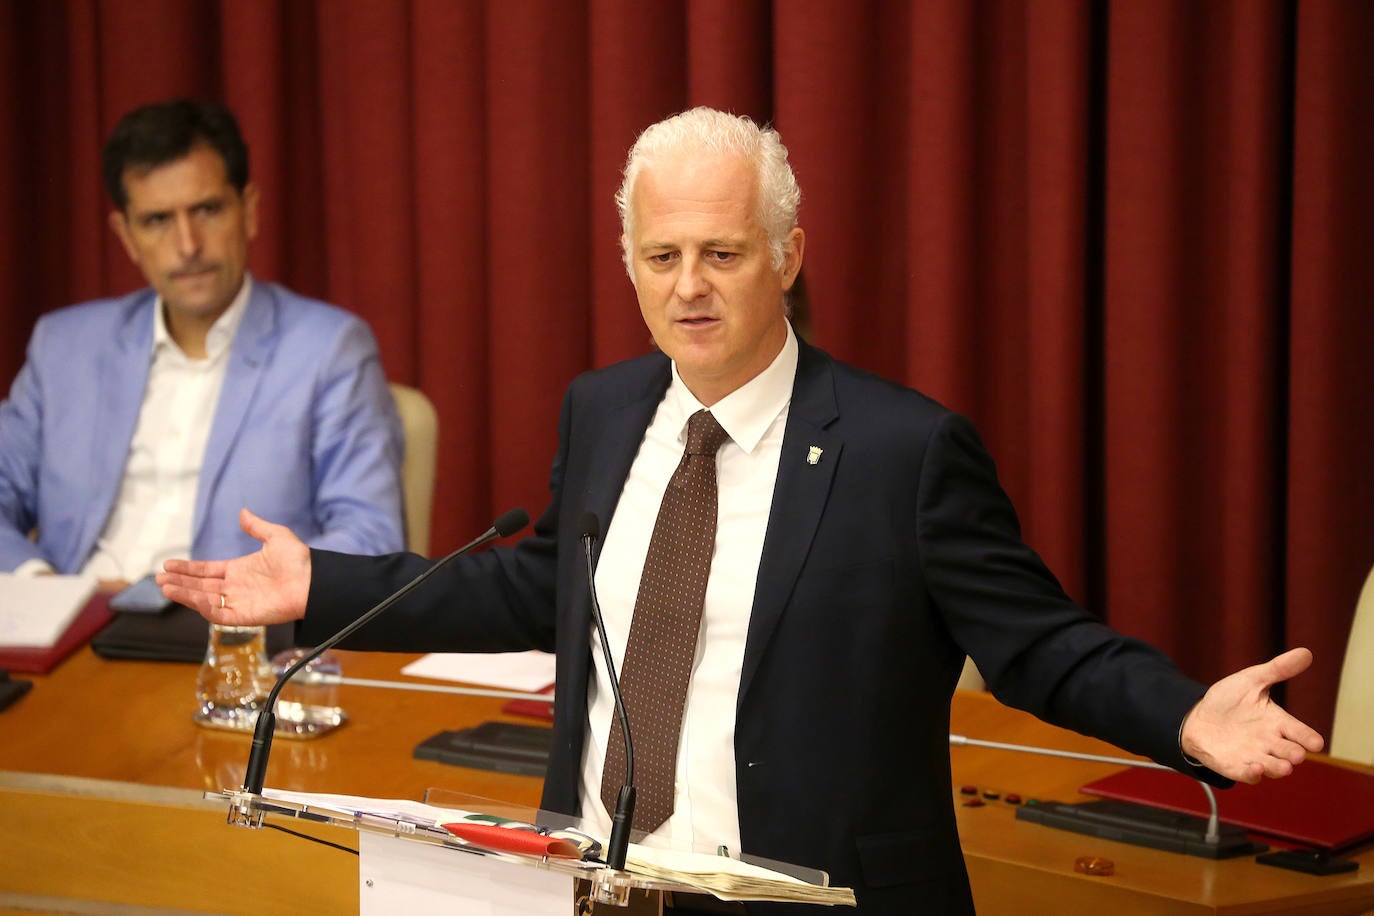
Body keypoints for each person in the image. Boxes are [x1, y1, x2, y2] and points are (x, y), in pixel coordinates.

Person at [159, 108, 1322, 914]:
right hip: (600, 883)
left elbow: (1036, 645)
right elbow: (541, 582)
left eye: (722, 251)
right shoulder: (605, 411)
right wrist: (325, 585)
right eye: (660, 254)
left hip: (813, 896)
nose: (689, 286)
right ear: (628, 262)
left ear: (788, 254)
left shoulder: (903, 451)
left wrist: (1184, 720)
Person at [0, 99, 405, 592]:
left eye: (207, 210)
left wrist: (244, 597)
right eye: (157, 221)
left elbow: (371, 537)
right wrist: (43, 589)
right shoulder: (64, 347)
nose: (188, 245)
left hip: (227, 640)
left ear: (249, 211)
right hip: (73, 630)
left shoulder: (329, 350)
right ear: (125, 236)